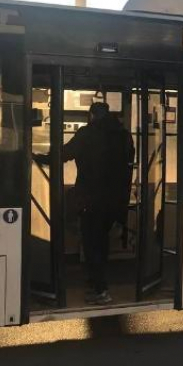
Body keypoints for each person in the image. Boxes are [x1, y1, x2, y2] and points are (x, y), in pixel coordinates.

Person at [45, 101, 133, 305]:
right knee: (101, 245)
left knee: (92, 243)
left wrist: (38, 157)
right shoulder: (124, 136)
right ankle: (97, 283)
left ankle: (100, 289)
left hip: (91, 200)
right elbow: (127, 170)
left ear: (92, 115)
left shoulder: (88, 133)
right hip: (114, 201)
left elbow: (63, 154)